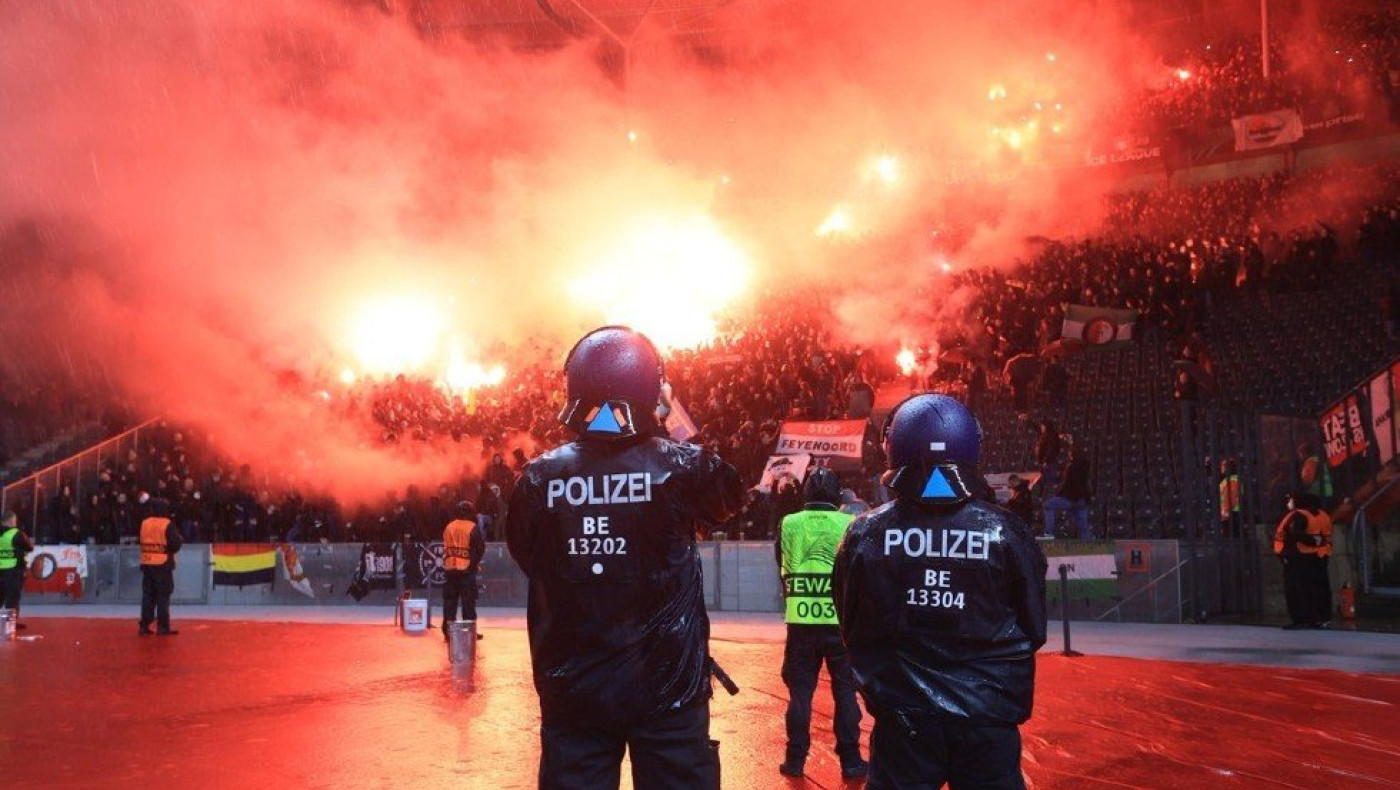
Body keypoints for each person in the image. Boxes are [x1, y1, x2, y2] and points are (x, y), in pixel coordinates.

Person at [505, 326, 742, 790]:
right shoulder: (682, 466)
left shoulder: (537, 479)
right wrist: (669, 411)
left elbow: (529, 555)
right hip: (668, 688)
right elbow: (727, 498)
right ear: (651, 389)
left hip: (572, 689)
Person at [833, 394, 1047, 789]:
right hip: (989, 717)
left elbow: (852, 624)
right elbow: (1034, 628)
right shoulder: (1007, 531)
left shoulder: (865, 533)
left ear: (892, 448)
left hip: (904, 719)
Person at [773, 466, 867, 780]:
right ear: (836, 495)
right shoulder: (850, 523)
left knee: (800, 695)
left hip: (800, 622)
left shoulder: (789, 523)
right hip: (840, 625)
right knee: (845, 692)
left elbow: (781, 562)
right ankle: (852, 761)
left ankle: (795, 760)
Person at [441, 499, 486, 641]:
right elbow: (480, 548)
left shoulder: (449, 527)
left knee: (450, 602)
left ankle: (448, 633)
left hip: (450, 570)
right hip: (466, 571)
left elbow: (445, 547)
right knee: (468, 603)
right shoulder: (472, 527)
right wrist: (473, 564)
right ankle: (469, 633)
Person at [138, 498, 183, 636]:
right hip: (162, 564)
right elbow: (175, 544)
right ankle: (163, 627)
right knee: (163, 596)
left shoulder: (144, 523)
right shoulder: (167, 524)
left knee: (148, 596)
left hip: (147, 563)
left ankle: (144, 626)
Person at [1043, 442, 1092, 540]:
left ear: (1072, 455)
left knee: (1048, 505)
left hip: (1070, 498)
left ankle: (1049, 534)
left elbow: (1067, 484)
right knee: (1083, 527)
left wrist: (1058, 493)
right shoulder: (1085, 466)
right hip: (1082, 499)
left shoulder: (1071, 467)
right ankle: (1088, 545)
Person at [1, 511, 34, 628]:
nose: (15, 523)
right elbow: (29, 547)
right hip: (13, 570)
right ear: (10, 521)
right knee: (12, 598)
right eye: (14, 521)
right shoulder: (16, 534)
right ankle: (10, 625)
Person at [1218, 458, 1242, 538]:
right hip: (1230, 514)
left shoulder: (1232, 481)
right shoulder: (1230, 480)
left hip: (1230, 516)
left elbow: (1229, 499)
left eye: (1222, 466)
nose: (1221, 468)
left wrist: (1224, 515)